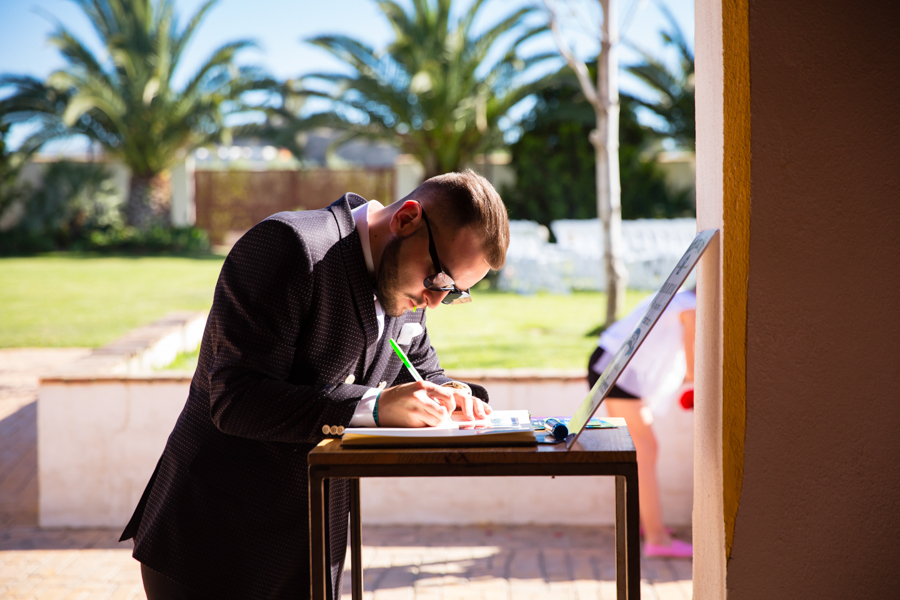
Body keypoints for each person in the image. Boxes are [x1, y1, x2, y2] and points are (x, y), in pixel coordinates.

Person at [120, 170, 510, 599]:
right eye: (438, 280)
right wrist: (373, 407)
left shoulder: (406, 285)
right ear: (406, 220)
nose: (436, 300)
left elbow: (421, 374)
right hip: (211, 544)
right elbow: (236, 398)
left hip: (311, 547)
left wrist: (455, 396)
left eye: (454, 293)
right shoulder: (290, 246)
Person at [587, 288, 696, 558]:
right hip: (617, 370)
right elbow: (695, 369)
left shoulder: (680, 297)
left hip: (612, 365)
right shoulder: (690, 307)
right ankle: (657, 538)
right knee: (644, 450)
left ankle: (643, 523)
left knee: (640, 449)